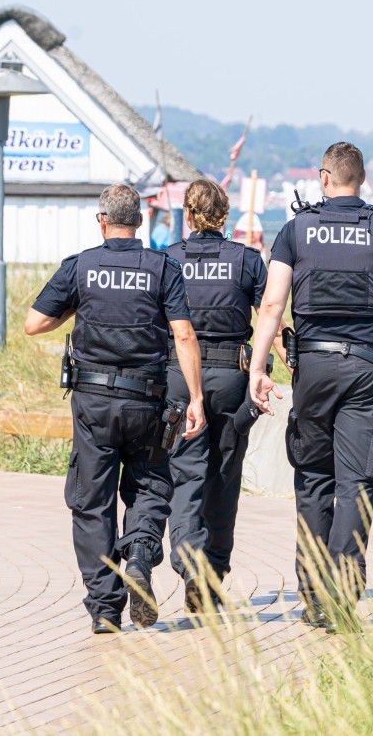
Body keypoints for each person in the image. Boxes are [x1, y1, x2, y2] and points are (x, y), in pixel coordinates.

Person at [249, 142, 373, 630]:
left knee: (313, 479)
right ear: (362, 179)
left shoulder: (296, 231)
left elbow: (271, 306)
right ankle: (342, 593)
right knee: (358, 482)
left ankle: (311, 595)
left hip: (312, 371)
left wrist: (258, 369)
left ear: (323, 178)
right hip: (365, 372)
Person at [25, 184, 206, 635]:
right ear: (140, 222)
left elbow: (34, 324)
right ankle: (140, 556)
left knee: (92, 502)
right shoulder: (163, 268)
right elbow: (183, 335)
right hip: (147, 401)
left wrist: (77, 307)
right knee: (148, 486)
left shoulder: (81, 266)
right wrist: (197, 399)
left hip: (93, 405)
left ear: (101, 220)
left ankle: (106, 609)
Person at [163, 179, 270, 612]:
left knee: (186, 473)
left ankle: (190, 561)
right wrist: (279, 366)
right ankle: (212, 571)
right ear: (225, 216)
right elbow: (269, 317)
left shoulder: (168, 259)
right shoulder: (247, 261)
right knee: (224, 477)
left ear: (188, 215)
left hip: (177, 376)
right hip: (231, 378)